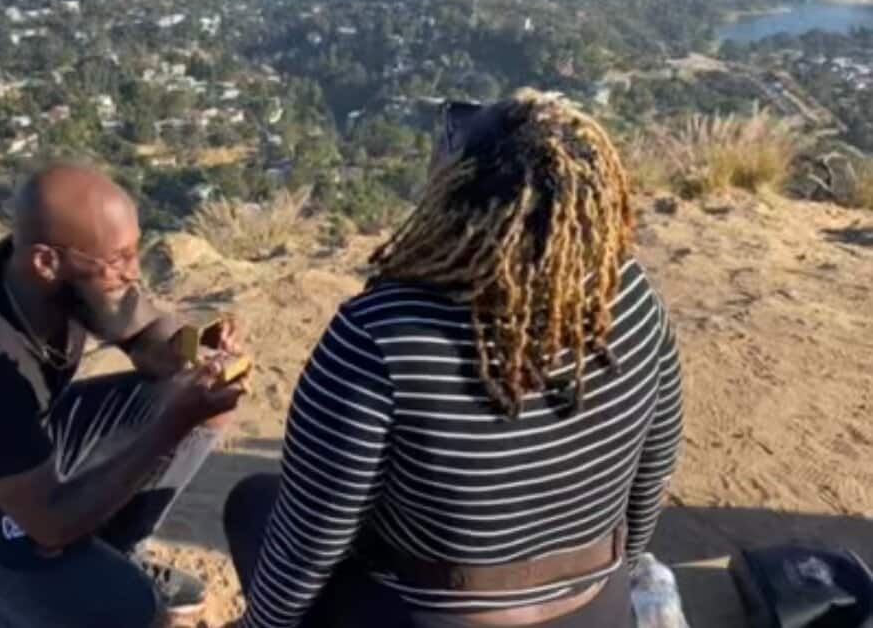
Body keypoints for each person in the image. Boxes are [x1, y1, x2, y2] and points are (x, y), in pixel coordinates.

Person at [224, 90, 684, 628]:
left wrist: (259, 626)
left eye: (453, 136)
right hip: (594, 612)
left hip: (426, 617)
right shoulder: (628, 297)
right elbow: (651, 475)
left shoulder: (380, 334)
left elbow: (312, 537)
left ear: (456, 192)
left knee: (252, 504)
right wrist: (606, 583)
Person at [0, 163, 246, 628]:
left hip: (14, 454)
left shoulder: (63, 282)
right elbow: (50, 525)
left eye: (135, 250)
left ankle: (116, 553)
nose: (133, 271)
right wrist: (169, 426)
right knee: (127, 612)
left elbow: (147, 338)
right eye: (118, 259)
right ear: (46, 261)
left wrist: (195, 346)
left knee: (197, 402)